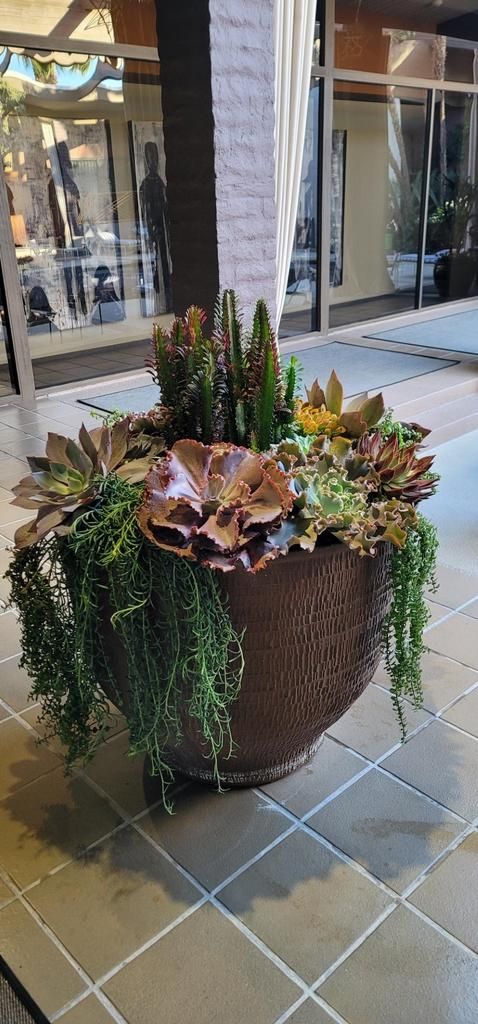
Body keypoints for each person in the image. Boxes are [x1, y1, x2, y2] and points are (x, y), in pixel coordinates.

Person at [139, 140, 172, 313]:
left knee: (165, 265)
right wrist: (149, 234)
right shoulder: (145, 185)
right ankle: (160, 297)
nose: (153, 161)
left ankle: (167, 296)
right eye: (149, 157)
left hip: (163, 231)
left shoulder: (160, 183)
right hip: (154, 231)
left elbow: (166, 208)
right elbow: (145, 213)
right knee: (155, 265)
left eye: (154, 157)